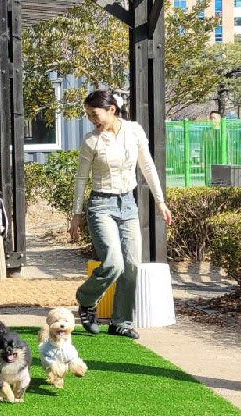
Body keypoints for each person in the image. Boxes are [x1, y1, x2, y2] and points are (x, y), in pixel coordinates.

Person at [68, 89, 172, 340]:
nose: (92, 119)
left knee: (132, 266)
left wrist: (161, 201)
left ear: (111, 110)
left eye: (95, 114)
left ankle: (121, 321)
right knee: (114, 263)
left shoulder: (134, 131)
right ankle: (86, 299)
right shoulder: (91, 140)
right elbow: (81, 178)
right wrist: (76, 214)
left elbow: (147, 165)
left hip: (127, 204)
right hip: (100, 205)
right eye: (88, 115)